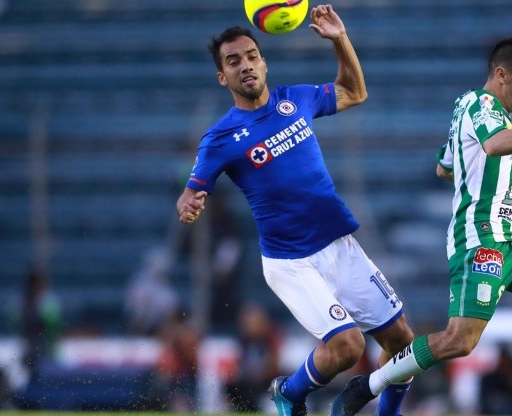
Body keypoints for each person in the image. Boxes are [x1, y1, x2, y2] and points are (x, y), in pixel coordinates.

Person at [329, 35, 512, 416]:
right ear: (502, 74)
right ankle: (366, 386)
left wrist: (470, 171)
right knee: (460, 341)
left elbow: (443, 166)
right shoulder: (481, 103)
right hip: (482, 241)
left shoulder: (478, 113)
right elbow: (492, 145)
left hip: (511, 240)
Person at [175, 5, 415, 416]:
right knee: (347, 346)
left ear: (264, 63)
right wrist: (190, 203)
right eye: (233, 62)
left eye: (252, 56)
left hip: (341, 246)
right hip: (292, 261)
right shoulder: (220, 138)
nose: (245, 66)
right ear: (223, 77)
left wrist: (340, 39)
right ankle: (289, 391)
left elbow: (355, 92)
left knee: (403, 345)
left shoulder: (296, 99)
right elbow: (191, 191)